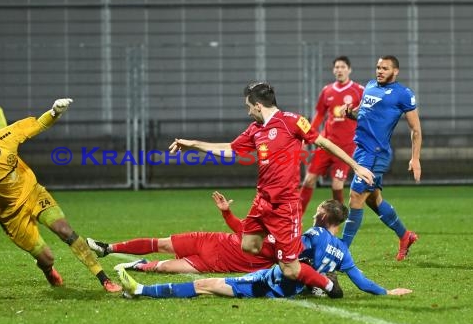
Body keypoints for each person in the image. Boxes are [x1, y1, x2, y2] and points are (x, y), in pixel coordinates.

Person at [169, 81, 375, 299]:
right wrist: (193, 144)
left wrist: (355, 165)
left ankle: (325, 282)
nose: (248, 112)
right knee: (248, 245)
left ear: (258, 105)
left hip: (284, 205)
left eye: (248, 107)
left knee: (290, 269)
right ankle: (291, 254)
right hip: (262, 202)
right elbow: (230, 149)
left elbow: (323, 143)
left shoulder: (292, 121)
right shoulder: (255, 129)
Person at [0, 98, 121, 292]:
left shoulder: (8, 136)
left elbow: (38, 124)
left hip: (34, 193)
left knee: (64, 230)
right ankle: (48, 270)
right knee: (46, 258)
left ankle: (104, 279)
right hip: (12, 217)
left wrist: (54, 112)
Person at [117, 199, 413, 299]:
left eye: (317, 212)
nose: (313, 215)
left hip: (271, 281)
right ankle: (141, 286)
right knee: (208, 284)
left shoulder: (314, 234)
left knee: (205, 285)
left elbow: (285, 253)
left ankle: (141, 290)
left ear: (324, 217)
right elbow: (361, 282)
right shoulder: (343, 251)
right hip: (288, 286)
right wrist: (386, 292)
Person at [340, 55, 422, 261]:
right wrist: (350, 113)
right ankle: (405, 236)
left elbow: (416, 129)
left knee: (356, 197)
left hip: (376, 153)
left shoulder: (403, 94)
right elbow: (362, 113)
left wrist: (415, 158)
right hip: (361, 151)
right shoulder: (369, 86)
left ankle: (340, 251)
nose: (380, 71)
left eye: (385, 68)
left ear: (395, 71)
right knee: (374, 200)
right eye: (378, 67)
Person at [87, 191, 277, 274]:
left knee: (165, 268)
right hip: (208, 242)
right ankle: (108, 248)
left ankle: (140, 265)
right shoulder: (257, 224)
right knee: (161, 244)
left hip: (210, 264)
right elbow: (237, 226)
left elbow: (290, 264)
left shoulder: (280, 247)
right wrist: (226, 211)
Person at [299, 56, 364, 215]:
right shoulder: (327, 90)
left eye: (342, 67)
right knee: (308, 180)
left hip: (346, 146)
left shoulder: (359, 90)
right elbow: (319, 115)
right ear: (333, 70)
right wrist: (306, 136)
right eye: (337, 67)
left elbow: (366, 114)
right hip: (326, 144)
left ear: (349, 70)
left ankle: (338, 218)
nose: (339, 70)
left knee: (337, 185)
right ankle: (296, 216)